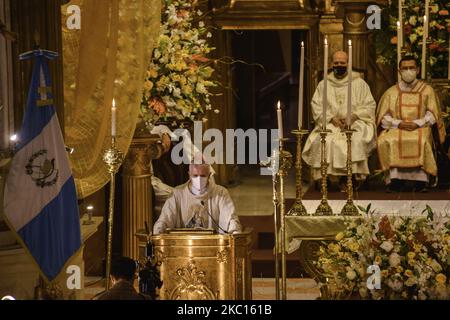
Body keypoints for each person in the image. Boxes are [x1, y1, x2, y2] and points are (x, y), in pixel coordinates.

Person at [302, 51, 377, 191]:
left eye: (342, 63)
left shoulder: (359, 83)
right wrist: (331, 118)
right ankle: (326, 178)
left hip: (355, 122)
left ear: (348, 64)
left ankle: (351, 178)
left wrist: (354, 116)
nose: (339, 65)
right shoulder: (323, 84)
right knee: (324, 140)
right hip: (330, 122)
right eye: (336, 63)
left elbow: (370, 105)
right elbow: (316, 105)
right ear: (331, 64)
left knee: (355, 139)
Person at [377, 56, 446, 192]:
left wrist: (418, 123)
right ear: (399, 71)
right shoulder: (391, 92)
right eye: (405, 68)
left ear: (418, 70)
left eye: (411, 68)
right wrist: (398, 123)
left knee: (421, 140)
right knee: (386, 139)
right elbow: (383, 117)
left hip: (420, 127)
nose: (408, 71)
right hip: (397, 127)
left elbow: (433, 114)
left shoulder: (427, 90)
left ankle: (420, 181)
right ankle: (394, 180)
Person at [153, 161, 241, 235]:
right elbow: (165, 220)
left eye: (203, 176)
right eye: (195, 176)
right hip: (184, 246)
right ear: (189, 175)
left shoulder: (220, 193)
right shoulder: (177, 193)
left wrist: (234, 233)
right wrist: (158, 231)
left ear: (209, 175)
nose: (199, 179)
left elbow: (231, 219)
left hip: (212, 245)